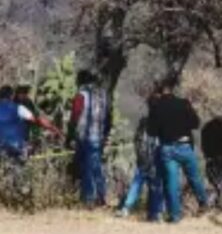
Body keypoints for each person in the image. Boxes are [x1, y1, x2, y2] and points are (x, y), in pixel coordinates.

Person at [148, 79, 208, 223]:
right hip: (185, 146)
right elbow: (196, 123)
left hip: (167, 148)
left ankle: (175, 216)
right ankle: (204, 203)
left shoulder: (156, 107)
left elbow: (151, 131)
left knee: (171, 183)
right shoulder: (184, 103)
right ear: (171, 90)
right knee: (194, 177)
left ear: (159, 91)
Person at [68, 70, 112, 208]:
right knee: (96, 167)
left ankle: (88, 199)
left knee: (86, 167)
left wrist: (70, 135)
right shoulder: (103, 95)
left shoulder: (81, 95)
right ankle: (101, 196)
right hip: (98, 136)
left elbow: (75, 116)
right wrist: (105, 135)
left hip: (84, 137)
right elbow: (109, 116)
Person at [117, 96, 164, 220]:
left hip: (143, 159)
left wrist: (139, 155)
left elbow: (136, 140)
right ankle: (155, 213)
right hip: (155, 159)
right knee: (155, 186)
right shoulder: (162, 123)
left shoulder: (143, 122)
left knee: (137, 185)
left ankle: (126, 208)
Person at [0, 85, 62, 161]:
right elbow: (37, 120)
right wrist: (53, 128)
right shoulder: (18, 108)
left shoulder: (26, 103)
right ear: (12, 96)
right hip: (17, 147)